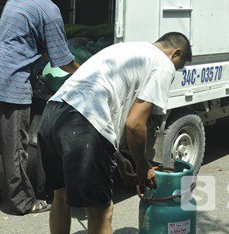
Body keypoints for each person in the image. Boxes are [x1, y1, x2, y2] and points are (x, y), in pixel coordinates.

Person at [37, 32, 192, 234]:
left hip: (53, 114)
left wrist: (118, 158)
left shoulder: (127, 49)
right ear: (175, 53)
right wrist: (142, 165)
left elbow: (107, 102)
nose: (174, 71)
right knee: (101, 209)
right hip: (83, 122)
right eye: (177, 66)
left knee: (62, 197)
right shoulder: (162, 63)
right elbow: (135, 124)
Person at [0, 0, 80, 215]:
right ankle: (22, 201)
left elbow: (20, 37)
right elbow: (63, 60)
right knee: (14, 145)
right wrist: (85, 71)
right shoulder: (49, 10)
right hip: (10, 78)